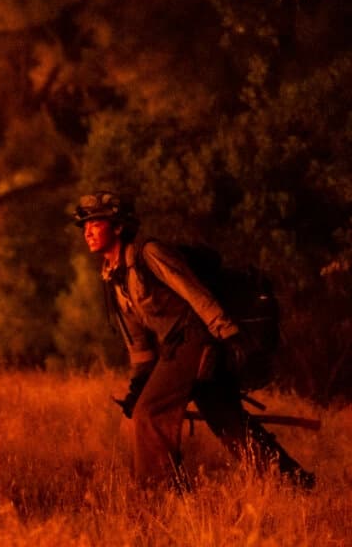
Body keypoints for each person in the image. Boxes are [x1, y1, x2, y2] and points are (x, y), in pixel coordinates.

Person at [74, 190, 314, 490]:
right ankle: (292, 482)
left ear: (118, 226)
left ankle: (162, 493)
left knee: (150, 413)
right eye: (85, 225)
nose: (88, 231)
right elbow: (138, 341)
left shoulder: (150, 253)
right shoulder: (113, 276)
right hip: (176, 347)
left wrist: (229, 334)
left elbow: (195, 292)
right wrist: (139, 384)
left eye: (96, 223)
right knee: (227, 420)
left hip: (197, 340)